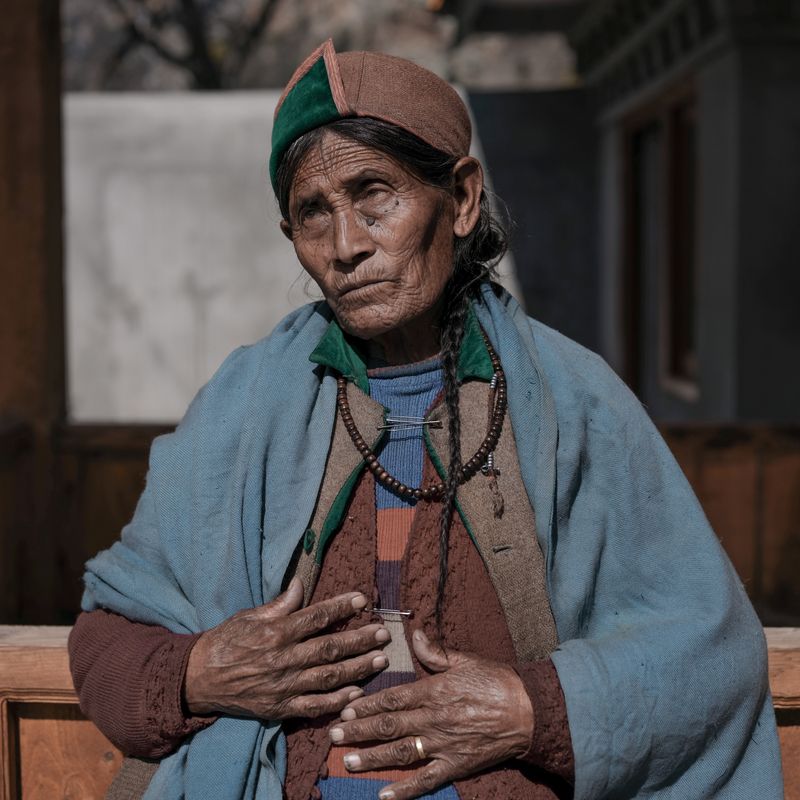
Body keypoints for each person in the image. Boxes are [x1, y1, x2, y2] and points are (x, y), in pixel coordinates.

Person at [68, 40, 783, 800]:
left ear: (463, 198)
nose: (346, 245)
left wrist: (532, 711)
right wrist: (200, 671)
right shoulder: (245, 404)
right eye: (315, 213)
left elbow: (709, 654)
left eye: (375, 193)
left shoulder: (574, 402)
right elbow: (106, 641)